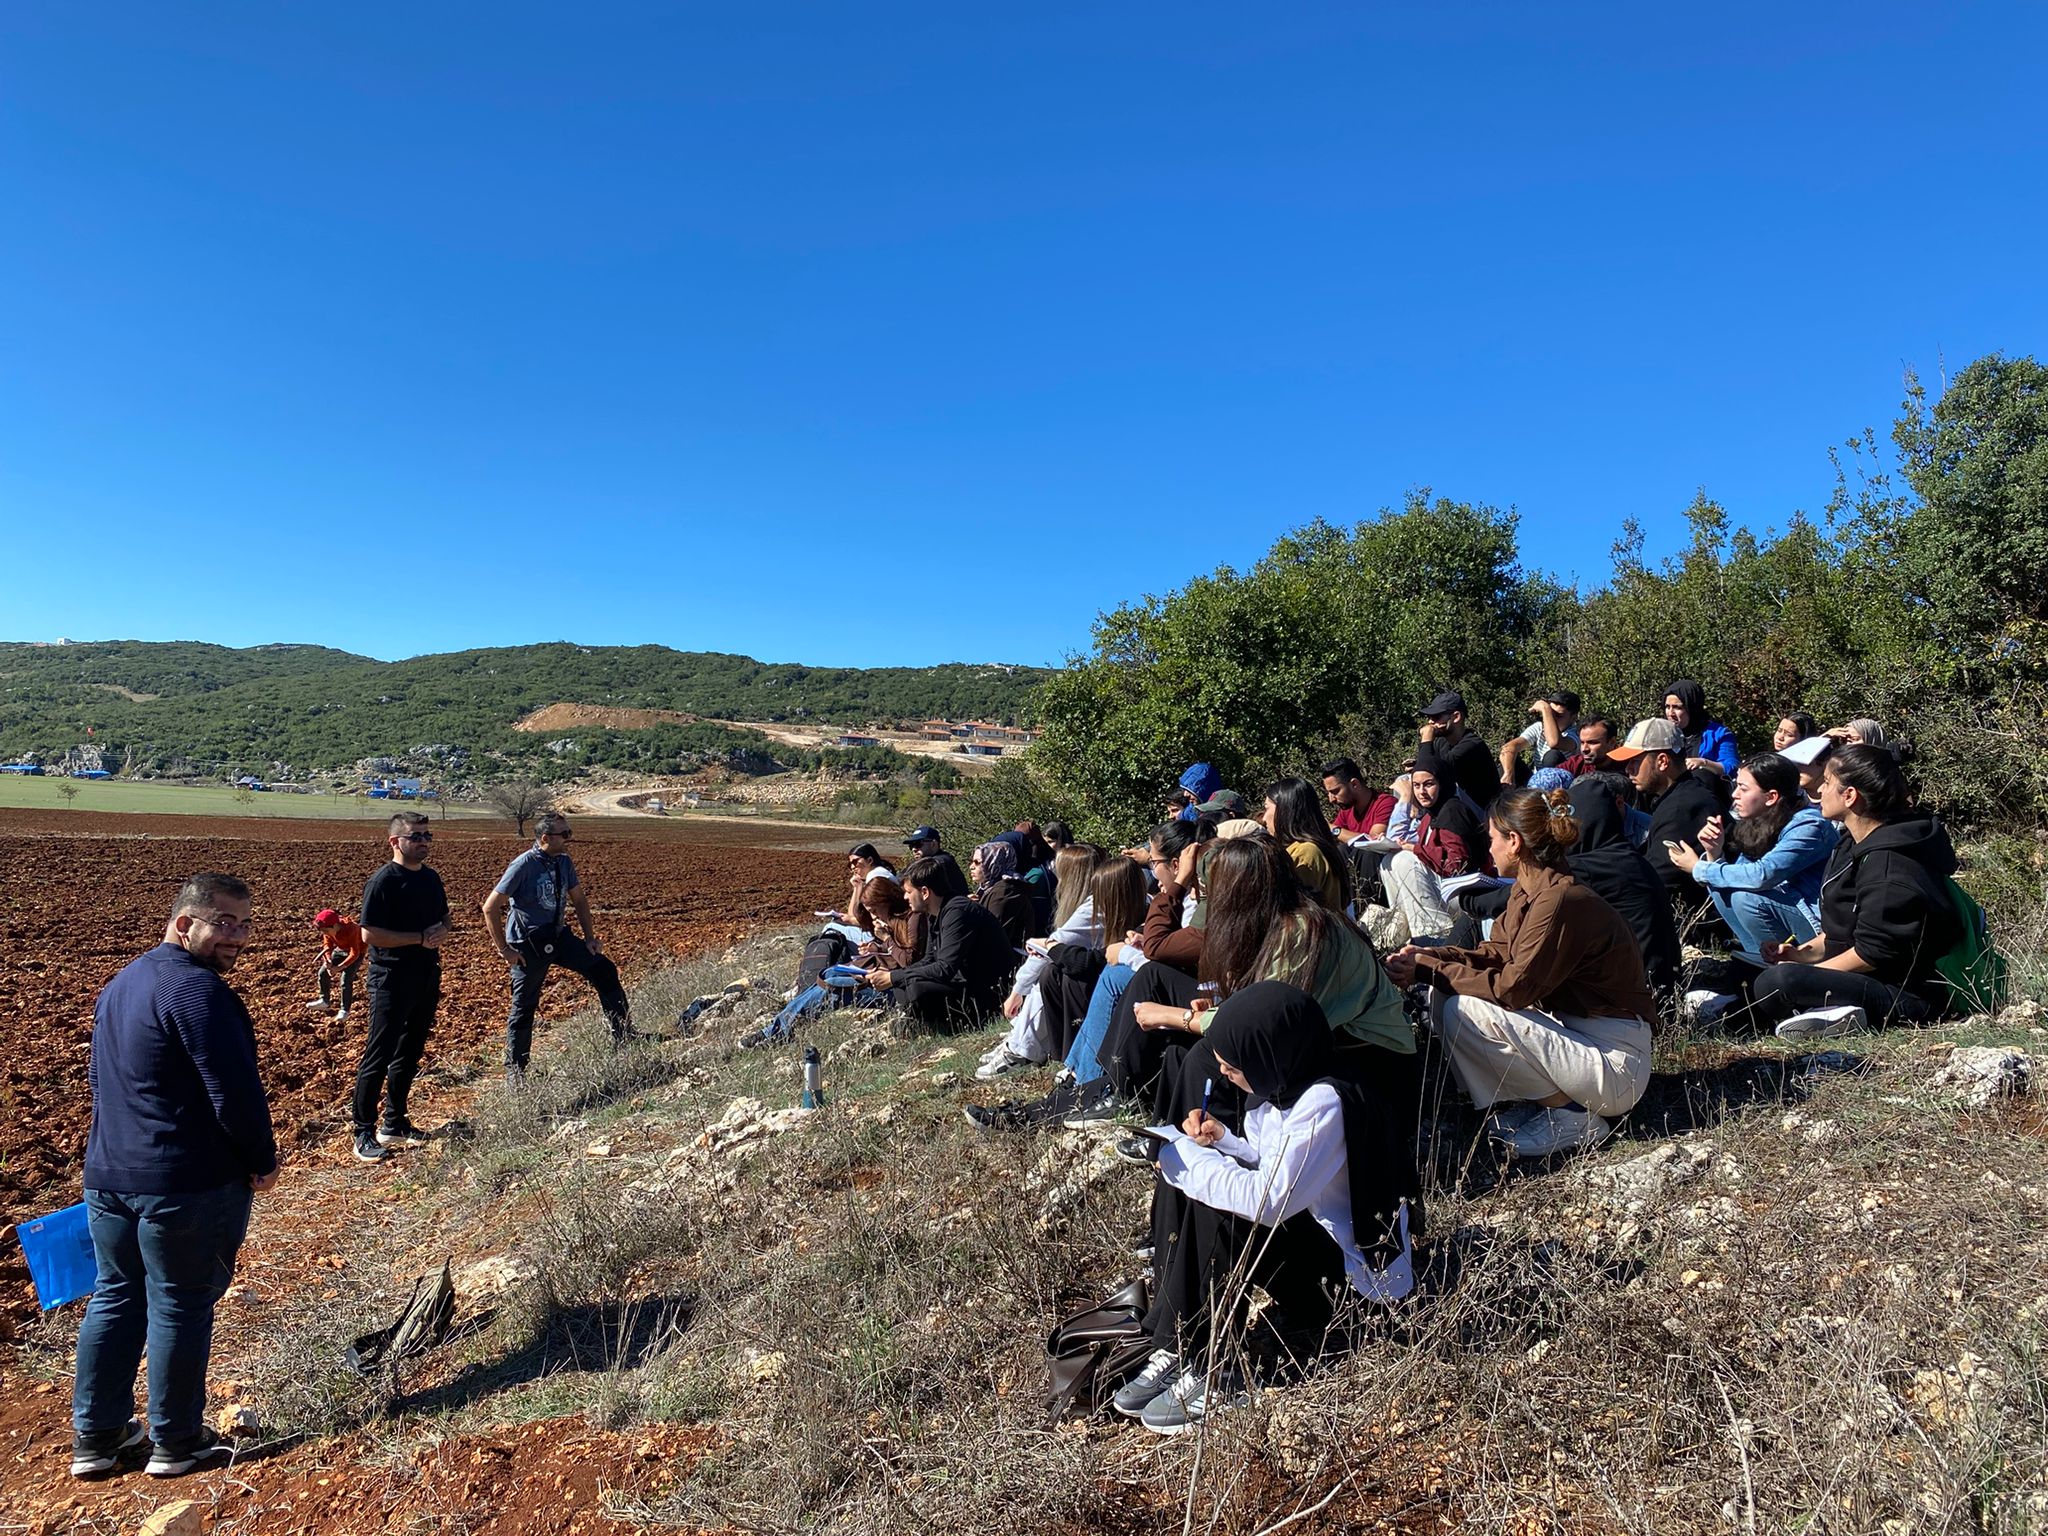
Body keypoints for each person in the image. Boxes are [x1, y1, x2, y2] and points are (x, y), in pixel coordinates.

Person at [1110, 983, 1422, 1435]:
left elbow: (1268, 1201)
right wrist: (1224, 1141)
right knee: (1204, 1182)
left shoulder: (1324, 1103)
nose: (1223, 1072)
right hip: (1318, 1247)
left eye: (1233, 1066)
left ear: (1269, 1055)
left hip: (1356, 1290)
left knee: (1224, 1203)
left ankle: (1218, 1368)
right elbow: (1273, 1163)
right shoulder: (1286, 1081)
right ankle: (1181, 1339)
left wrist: (1187, 1162)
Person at [71, 872, 278, 1480]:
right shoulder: (200, 993)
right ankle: (177, 1441)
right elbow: (233, 1093)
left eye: (245, 924)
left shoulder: (122, 984)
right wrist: (261, 1159)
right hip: (184, 1183)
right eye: (224, 923)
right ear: (184, 923)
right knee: (181, 1303)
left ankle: (98, 1436)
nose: (237, 936)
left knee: (116, 1294)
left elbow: (99, 1080)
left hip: (109, 1175)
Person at [1386, 788, 1658, 1158]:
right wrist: (1430, 956)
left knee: (1465, 1010)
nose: (1489, 849)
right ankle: (1547, 1102)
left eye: (1492, 839)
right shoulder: (1531, 891)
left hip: (1615, 1064)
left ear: (1514, 842)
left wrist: (1428, 969)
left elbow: (1513, 989)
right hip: (1584, 1042)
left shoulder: (1559, 900)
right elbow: (1494, 954)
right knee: (1446, 996)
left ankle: (1573, 1117)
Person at [1715, 744, 1962, 1039]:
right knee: (1752, 970)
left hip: (1903, 991)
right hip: (1865, 974)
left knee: (1779, 981)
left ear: (1850, 796)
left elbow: (1873, 953)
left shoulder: (1890, 865)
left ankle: (1834, 1014)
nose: (1820, 789)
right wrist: (1799, 954)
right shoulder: (1850, 845)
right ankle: (1815, 1013)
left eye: (1828, 782)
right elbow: (1839, 932)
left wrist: (1814, 972)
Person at [481, 812, 632, 1079]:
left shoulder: (563, 861)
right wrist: (504, 950)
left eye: (568, 832)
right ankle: (516, 1072)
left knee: (604, 970)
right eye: (564, 834)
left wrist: (589, 938)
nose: (568, 838)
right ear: (545, 838)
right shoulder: (523, 865)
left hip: (558, 936)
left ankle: (625, 1036)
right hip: (528, 944)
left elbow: (579, 900)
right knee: (524, 1005)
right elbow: (490, 907)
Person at [351, 812, 451, 1164]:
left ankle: (394, 1123)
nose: (424, 842)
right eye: (416, 836)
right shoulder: (383, 882)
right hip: (391, 978)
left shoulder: (431, 878)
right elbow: (369, 934)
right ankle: (363, 1131)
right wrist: (419, 938)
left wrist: (441, 931)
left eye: (427, 835)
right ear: (395, 841)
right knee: (378, 1054)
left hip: (426, 974)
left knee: (410, 1051)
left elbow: (445, 917)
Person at [1668, 753, 1839, 955]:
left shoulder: (1809, 826)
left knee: (1745, 898)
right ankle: (1757, 957)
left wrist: (1699, 868)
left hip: (1819, 930)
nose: (1734, 794)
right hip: (1789, 913)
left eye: (1743, 788)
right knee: (1722, 887)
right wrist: (1714, 852)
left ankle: (1782, 962)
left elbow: (1762, 876)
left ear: (1771, 797)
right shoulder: (1760, 823)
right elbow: (1741, 875)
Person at [1565, 775, 1683, 1003]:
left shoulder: (1593, 866)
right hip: (1654, 993)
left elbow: (1519, 897)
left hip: (1630, 1004)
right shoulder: (1625, 857)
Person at [865, 855, 1015, 1031]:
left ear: (925, 892)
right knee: (904, 984)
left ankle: (956, 1024)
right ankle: (922, 1022)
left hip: (988, 992)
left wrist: (893, 977)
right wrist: (894, 976)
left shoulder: (957, 912)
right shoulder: (935, 913)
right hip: (964, 983)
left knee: (917, 989)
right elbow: (929, 959)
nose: (905, 897)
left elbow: (945, 968)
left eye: (908, 892)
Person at [1377, 744, 1494, 941]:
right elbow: (1397, 837)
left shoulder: (1452, 811)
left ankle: (1435, 936)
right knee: (1390, 860)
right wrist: (1405, 801)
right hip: (1446, 888)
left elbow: (1456, 865)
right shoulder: (1430, 815)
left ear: (1442, 782)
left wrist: (1415, 849)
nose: (1421, 792)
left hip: (1465, 891)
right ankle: (1404, 932)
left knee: (1405, 860)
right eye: (1416, 786)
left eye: (1428, 784)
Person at [1606, 718, 1724, 910]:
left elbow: (1656, 878)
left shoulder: (1682, 807)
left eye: (1635, 761)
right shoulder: (1680, 795)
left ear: (1662, 761)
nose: (1628, 769)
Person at [1259, 776, 1351, 909]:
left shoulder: (1305, 853)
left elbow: (1292, 908)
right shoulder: (1311, 847)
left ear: (1284, 810)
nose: (1263, 818)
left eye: (1267, 808)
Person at [1417, 689, 1499, 809]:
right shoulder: (1441, 742)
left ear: (1456, 717)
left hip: (1484, 812)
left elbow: (1427, 772)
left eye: (1436, 717)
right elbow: (1425, 768)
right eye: (1429, 717)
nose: (1430, 722)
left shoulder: (1472, 745)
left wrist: (1426, 739)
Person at [970, 838, 1044, 952]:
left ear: (994, 862)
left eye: (977, 862)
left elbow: (992, 935)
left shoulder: (1005, 892)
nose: (971, 866)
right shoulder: (991, 888)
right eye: (971, 861)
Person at [1499, 689, 1582, 785]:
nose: (1552, 719)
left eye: (1558, 715)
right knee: (1508, 760)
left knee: (1552, 756)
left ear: (1573, 718)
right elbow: (1509, 747)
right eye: (1551, 714)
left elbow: (1554, 742)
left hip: (1561, 785)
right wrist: (1508, 773)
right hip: (1535, 782)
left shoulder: (1576, 734)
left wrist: (1546, 709)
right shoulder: (1539, 728)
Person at [1663, 680, 1739, 777]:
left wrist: (1703, 763)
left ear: (1692, 708)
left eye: (1677, 707)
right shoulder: (1662, 734)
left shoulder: (1718, 734)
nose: (1670, 713)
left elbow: (1732, 767)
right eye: (1667, 707)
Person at [306, 907, 366, 1021]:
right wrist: (328, 960)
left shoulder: (351, 929)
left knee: (346, 979)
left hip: (357, 951)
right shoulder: (327, 930)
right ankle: (324, 1000)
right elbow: (327, 945)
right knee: (323, 973)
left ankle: (344, 1010)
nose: (325, 934)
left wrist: (339, 967)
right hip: (341, 949)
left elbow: (354, 953)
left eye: (326, 931)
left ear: (335, 925)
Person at [1553, 715, 1619, 778]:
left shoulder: (1623, 766)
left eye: (1592, 743)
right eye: (1582, 742)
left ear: (1612, 742)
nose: (1584, 749)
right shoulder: (1575, 764)